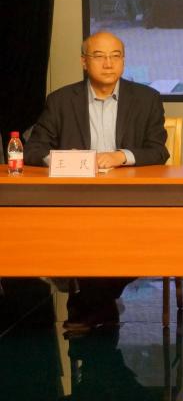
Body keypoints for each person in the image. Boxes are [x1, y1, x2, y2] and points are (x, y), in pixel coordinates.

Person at [25, 32, 169, 332]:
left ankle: (87, 304)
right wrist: (64, 159)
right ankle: (99, 304)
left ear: (123, 61)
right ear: (83, 62)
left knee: (132, 239)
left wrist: (121, 156)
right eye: (99, 56)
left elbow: (158, 150)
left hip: (130, 201)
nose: (108, 64)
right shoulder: (61, 100)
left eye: (116, 56)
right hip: (77, 200)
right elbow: (34, 150)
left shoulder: (147, 99)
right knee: (84, 235)